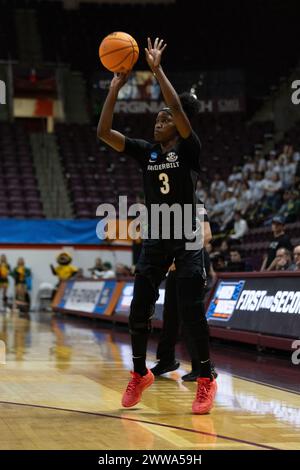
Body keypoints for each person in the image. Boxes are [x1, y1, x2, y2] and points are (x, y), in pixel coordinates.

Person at [97, 37, 217, 414]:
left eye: (166, 118)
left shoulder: (188, 148)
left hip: (186, 234)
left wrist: (157, 69)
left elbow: (178, 107)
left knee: (191, 307)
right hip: (156, 236)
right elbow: (103, 132)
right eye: (158, 117)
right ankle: (139, 374)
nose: (160, 120)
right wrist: (114, 90)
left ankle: (207, 377)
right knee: (138, 311)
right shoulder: (145, 151)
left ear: (178, 126)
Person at [151, 203, 218, 381]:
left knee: (190, 315)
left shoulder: (197, 205)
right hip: (176, 262)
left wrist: (182, 254)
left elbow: (207, 235)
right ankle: (166, 360)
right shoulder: (171, 206)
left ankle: (202, 366)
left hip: (192, 261)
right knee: (170, 314)